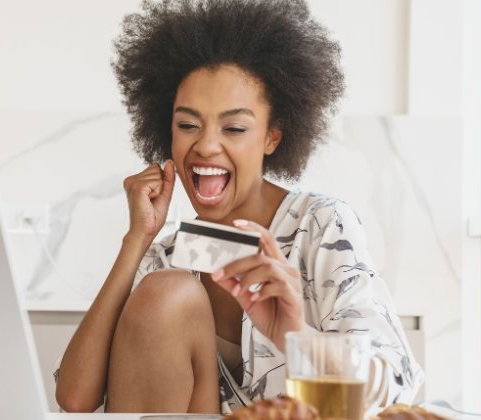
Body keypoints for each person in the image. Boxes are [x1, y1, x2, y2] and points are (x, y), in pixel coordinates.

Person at [54, 0, 424, 414]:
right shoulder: (169, 257)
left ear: (272, 137)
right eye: (188, 125)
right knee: (167, 290)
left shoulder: (320, 226)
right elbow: (74, 397)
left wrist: (293, 335)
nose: (206, 145)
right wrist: (136, 239)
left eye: (234, 128)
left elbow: (398, 382)